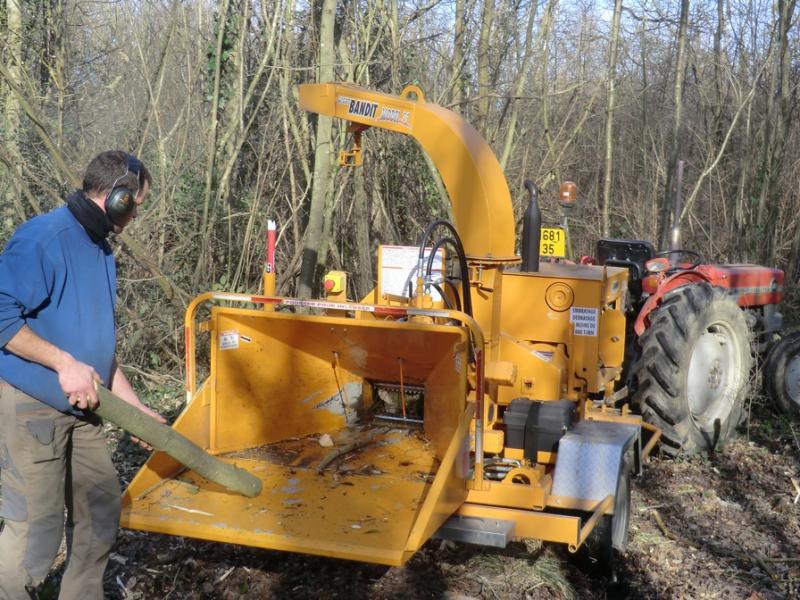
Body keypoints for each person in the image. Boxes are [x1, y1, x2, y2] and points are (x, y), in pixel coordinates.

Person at [0, 151, 164, 600]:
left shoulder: (100, 249)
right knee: (36, 532)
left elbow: (98, 347)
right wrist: (63, 363)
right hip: (33, 406)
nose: (136, 214)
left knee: (99, 512)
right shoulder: (43, 239)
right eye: (136, 203)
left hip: (85, 405)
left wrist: (134, 408)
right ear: (117, 197)